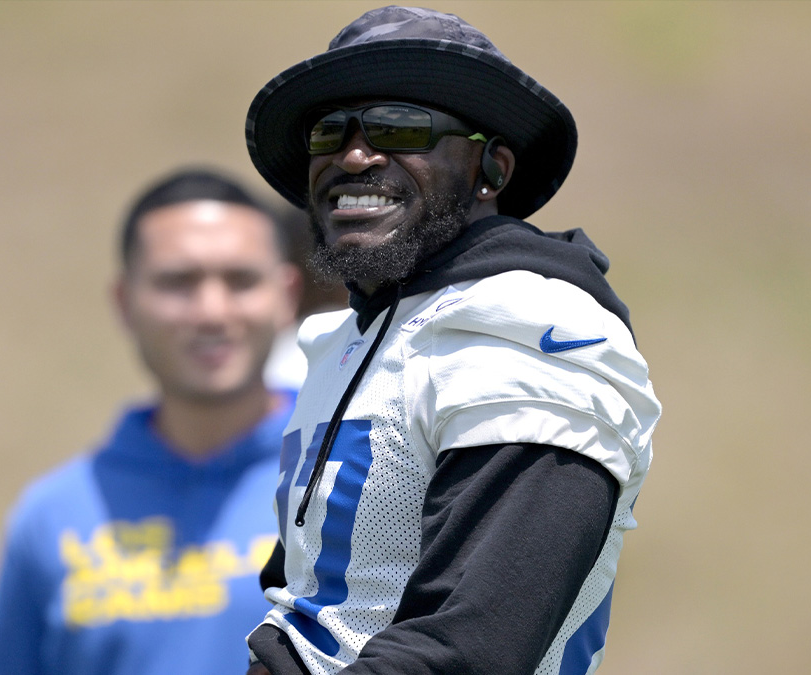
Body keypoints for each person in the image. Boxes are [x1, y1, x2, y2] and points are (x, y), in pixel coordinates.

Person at [241, 6, 662, 675]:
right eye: (330, 133)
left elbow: (469, 650)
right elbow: (311, 611)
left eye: (398, 126)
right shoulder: (346, 337)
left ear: (492, 169)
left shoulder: (525, 327)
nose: (353, 155)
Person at [0, 169, 302, 675]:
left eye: (241, 280)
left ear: (287, 295)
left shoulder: (358, 474)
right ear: (124, 302)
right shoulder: (51, 517)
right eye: (179, 282)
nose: (212, 311)